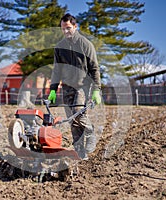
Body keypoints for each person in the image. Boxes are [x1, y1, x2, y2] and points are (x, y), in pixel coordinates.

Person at [48, 13, 101, 160]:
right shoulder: (59, 47)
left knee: (78, 112)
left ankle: (90, 131)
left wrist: (97, 90)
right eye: (63, 29)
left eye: (68, 28)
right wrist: (53, 89)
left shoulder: (85, 45)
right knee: (72, 121)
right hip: (66, 87)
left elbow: (94, 68)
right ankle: (80, 152)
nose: (65, 32)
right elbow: (57, 70)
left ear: (75, 27)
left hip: (82, 86)